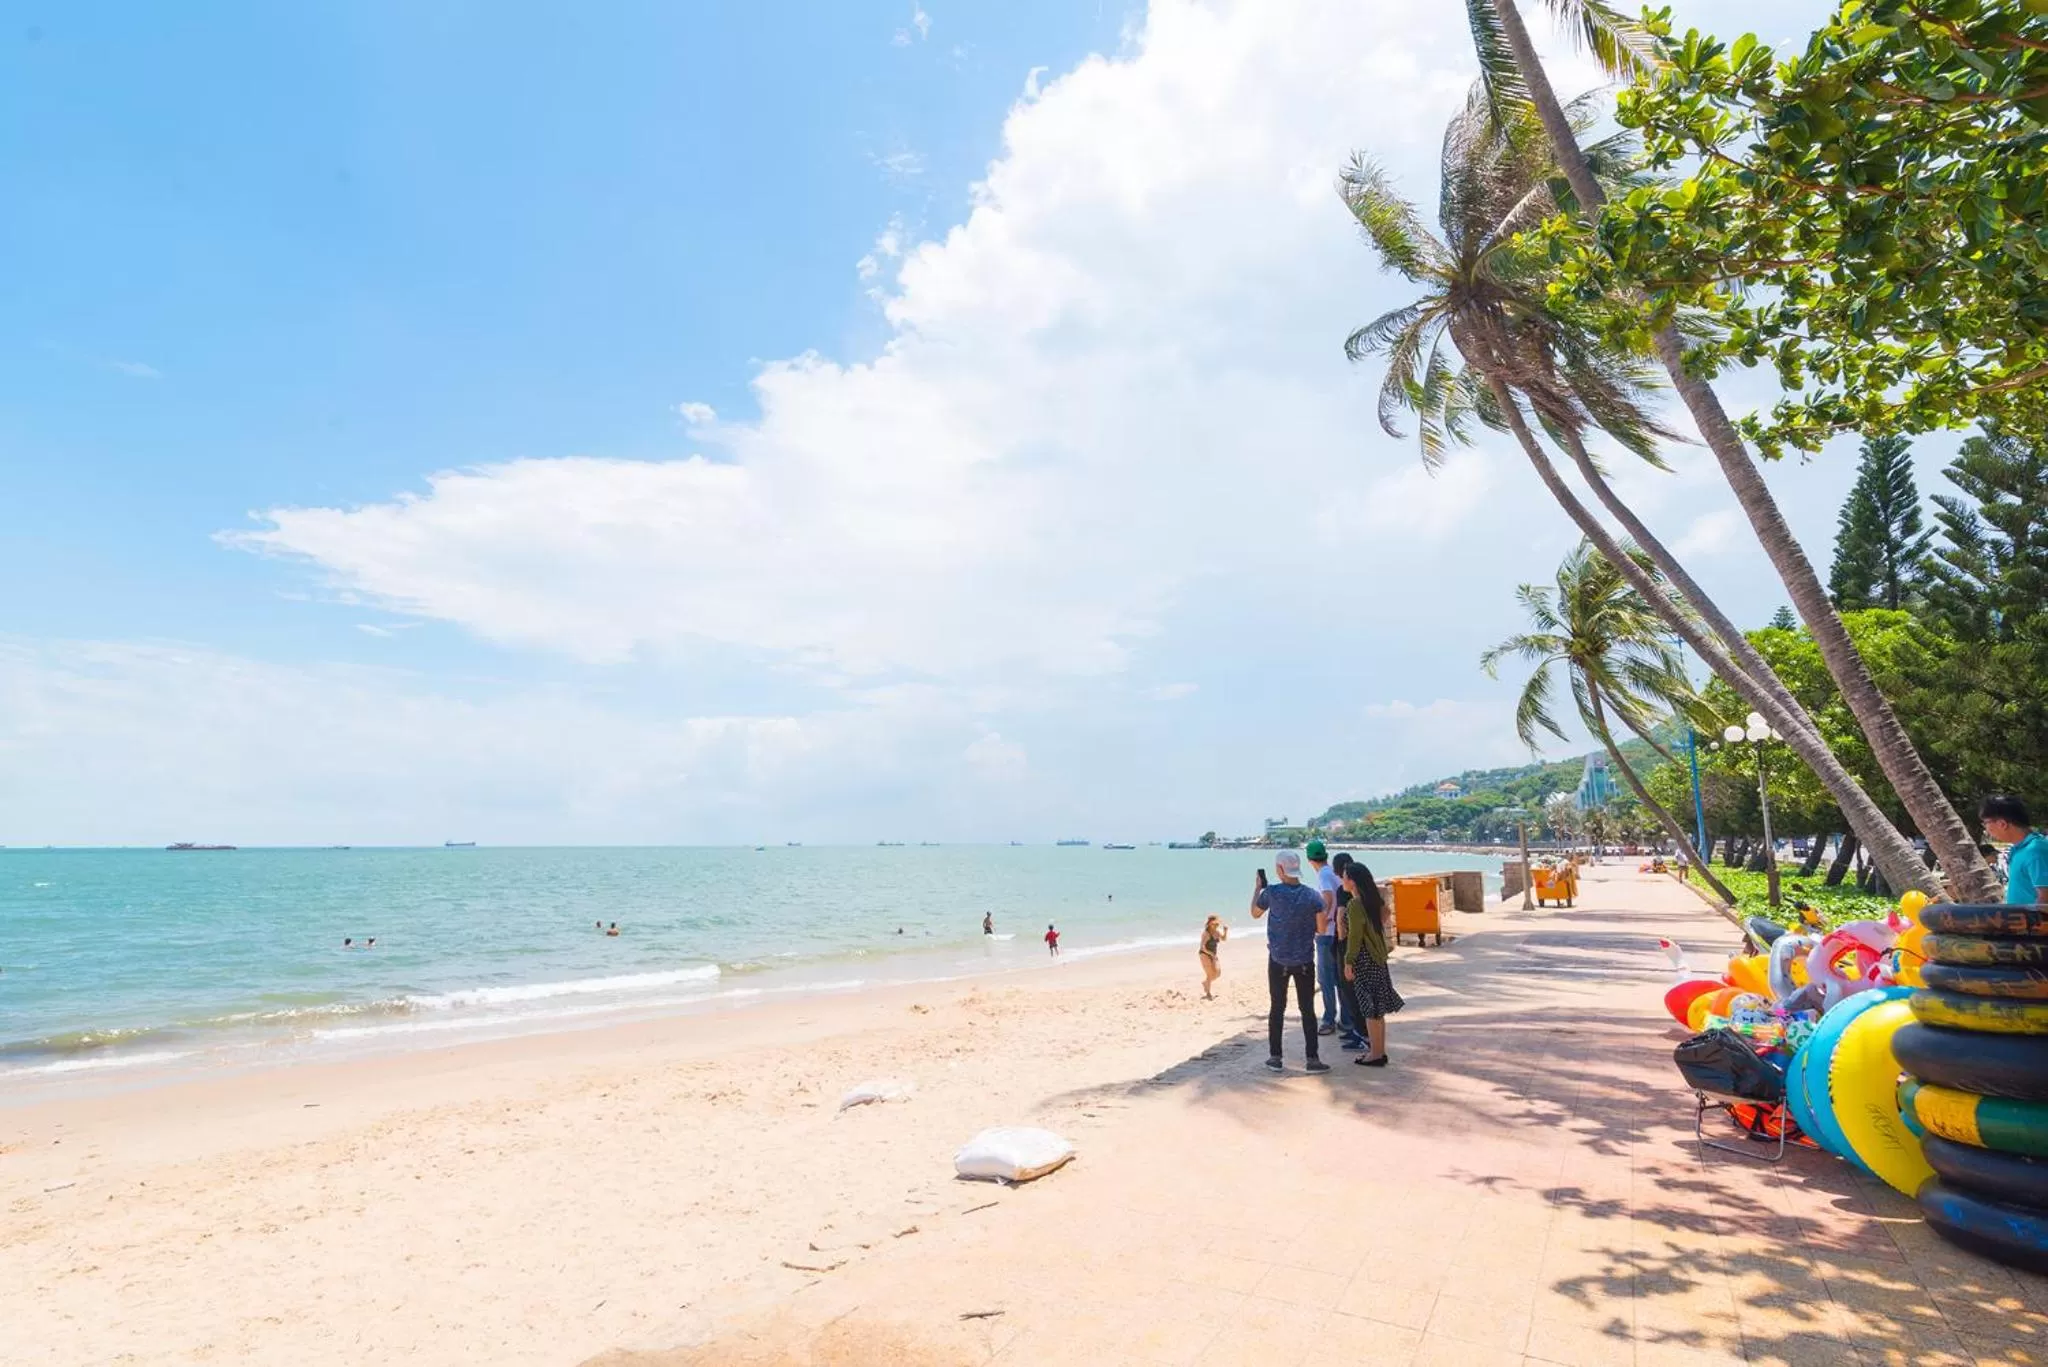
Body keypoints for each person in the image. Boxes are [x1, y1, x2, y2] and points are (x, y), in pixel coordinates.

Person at [1251, 852, 1329, 1073]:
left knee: (1277, 1008)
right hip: (1305, 960)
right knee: (1307, 1010)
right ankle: (1312, 1059)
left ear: (1280, 869)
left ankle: (1275, 1058)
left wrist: (1258, 887)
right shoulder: (1312, 896)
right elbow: (1322, 929)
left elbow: (1255, 913)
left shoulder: (1272, 893)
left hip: (1277, 960)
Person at [1340, 861, 1404, 1066]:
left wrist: (1348, 962)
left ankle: (1375, 1054)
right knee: (1378, 1010)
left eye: (1344, 876)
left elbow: (1355, 937)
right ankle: (1379, 1051)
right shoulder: (1372, 901)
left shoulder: (1355, 905)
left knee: (1370, 1009)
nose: (1342, 880)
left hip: (1364, 960)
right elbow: (1386, 914)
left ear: (1352, 881)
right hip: (1377, 957)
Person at [1327, 854, 1366, 1051]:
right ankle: (1359, 1030)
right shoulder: (1365, 887)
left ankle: (1360, 1033)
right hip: (1363, 946)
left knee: (1349, 990)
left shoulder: (1344, 890)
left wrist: (1342, 940)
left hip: (1347, 947)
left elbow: (1341, 917)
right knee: (1357, 991)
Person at [1983, 796, 2048, 906]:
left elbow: (2045, 899)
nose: (1986, 830)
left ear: (2002, 824)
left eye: (1985, 823)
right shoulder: (2019, 849)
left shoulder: (2035, 851)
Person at [1306, 839, 1342, 1037]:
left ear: (1310, 860)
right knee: (1337, 978)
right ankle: (1346, 1019)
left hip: (1327, 934)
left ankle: (1329, 1019)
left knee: (1326, 979)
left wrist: (1325, 919)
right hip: (1336, 932)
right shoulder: (1333, 874)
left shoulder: (1324, 876)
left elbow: (1327, 897)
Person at [1198, 915, 1228, 1000]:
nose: (1216, 926)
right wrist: (1210, 954)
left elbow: (1224, 939)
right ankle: (1208, 993)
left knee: (1217, 973)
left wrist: (1225, 931)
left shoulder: (1217, 932)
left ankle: (1205, 983)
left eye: (1217, 924)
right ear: (1209, 923)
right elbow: (1202, 947)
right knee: (1210, 974)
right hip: (1204, 954)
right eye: (1214, 924)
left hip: (1213, 955)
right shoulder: (1206, 933)